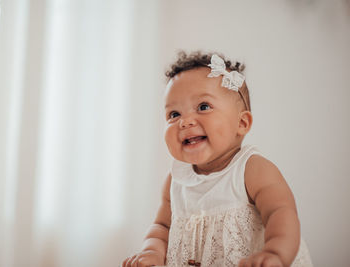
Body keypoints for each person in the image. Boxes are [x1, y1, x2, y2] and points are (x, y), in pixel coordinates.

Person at [121, 51, 313, 267]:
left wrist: (276, 253)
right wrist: (151, 252)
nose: (184, 122)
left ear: (242, 123)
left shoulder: (252, 169)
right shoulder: (176, 179)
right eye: (174, 114)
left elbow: (281, 212)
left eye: (203, 107)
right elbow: (162, 228)